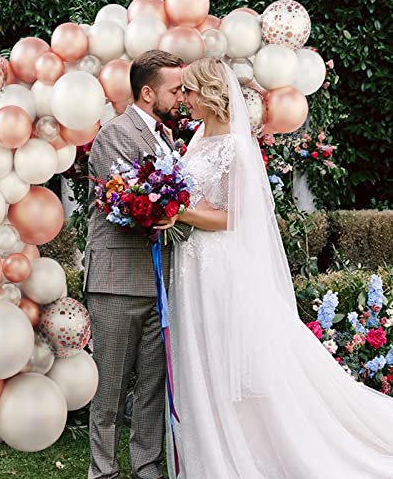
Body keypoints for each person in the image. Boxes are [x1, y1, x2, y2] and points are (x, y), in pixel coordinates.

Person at [161, 58, 393, 478]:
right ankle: (211, 442)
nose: (185, 101)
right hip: (192, 264)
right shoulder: (196, 138)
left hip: (220, 267)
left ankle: (256, 445)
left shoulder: (235, 145)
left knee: (235, 352)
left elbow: (235, 216)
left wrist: (179, 212)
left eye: (190, 92)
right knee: (202, 351)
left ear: (211, 93)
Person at [85, 49, 189, 479]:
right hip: (116, 280)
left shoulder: (166, 137)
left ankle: (147, 466)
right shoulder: (115, 134)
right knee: (108, 387)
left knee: (151, 385)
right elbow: (129, 200)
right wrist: (169, 207)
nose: (182, 96)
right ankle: (103, 471)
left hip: (158, 281)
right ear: (148, 93)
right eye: (175, 89)